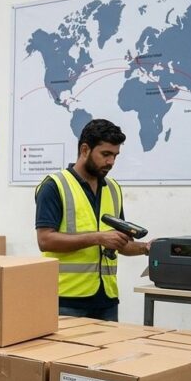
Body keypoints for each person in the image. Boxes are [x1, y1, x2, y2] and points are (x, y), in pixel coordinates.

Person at [35, 119, 150, 321]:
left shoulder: (113, 188)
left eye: (115, 156)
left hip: (106, 299)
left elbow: (120, 244)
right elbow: (45, 241)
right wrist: (98, 238)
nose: (111, 162)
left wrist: (146, 248)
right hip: (66, 300)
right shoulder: (54, 186)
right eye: (105, 154)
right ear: (85, 150)